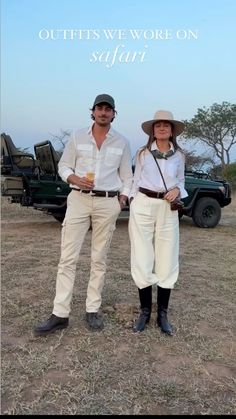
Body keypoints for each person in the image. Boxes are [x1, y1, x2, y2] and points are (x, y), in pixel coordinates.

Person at [34, 94, 133, 334]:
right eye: (100, 108)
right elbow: (63, 165)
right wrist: (73, 177)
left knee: (99, 259)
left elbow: (127, 177)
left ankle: (92, 310)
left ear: (113, 114)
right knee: (67, 257)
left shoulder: (121, 142)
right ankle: (60, 313)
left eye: (108, 109)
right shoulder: (78, 137)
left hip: (108, 203)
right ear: (93, 111)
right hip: (78, 199)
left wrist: (122, 199)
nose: (103, 112)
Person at [128, 110, 187, 335]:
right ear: (153, 130)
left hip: (167, 207)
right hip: (143, 204)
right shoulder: (142, 153)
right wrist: (133, 202)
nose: (162, 128)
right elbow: (135, 180)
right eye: (158, 125)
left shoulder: (179, 156)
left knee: (167, 255)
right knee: (142, 255)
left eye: (166, 125)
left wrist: (176, 190)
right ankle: (144, 311)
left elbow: (181, 181)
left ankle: (162, 313)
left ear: (172, 131)